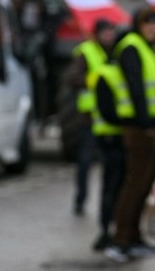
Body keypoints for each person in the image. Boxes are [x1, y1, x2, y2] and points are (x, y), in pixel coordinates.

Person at [104, 6, 155, 263]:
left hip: (150, 126)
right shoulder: (132, 47)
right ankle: (121, 239)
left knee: (143, 184)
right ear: (138, 25)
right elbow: (136, 88)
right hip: (139, 128)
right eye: (147, 22)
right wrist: (146, 123)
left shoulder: (149, 49)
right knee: (134, 184)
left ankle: (134, 237)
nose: (152, 27)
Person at [66, 19, 116, 216]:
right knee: (85, 160)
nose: (109, 36)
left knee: (107, 163)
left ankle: (106, 203)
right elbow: (72, 79)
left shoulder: (114, 53)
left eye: (111, 32)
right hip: (89, 116)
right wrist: (96, 81)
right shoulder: (86, 52)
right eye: (105, 32)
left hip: (108, 118)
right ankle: (80, 199)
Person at [89, 48, 128, 251]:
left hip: (119, 137)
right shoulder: (106, 74)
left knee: (117, 187)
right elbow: (108, 111)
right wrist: (129, 121)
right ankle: (105, 231)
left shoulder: (119, 72)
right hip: (109, 138)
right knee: (111, 187)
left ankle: (113, 230)